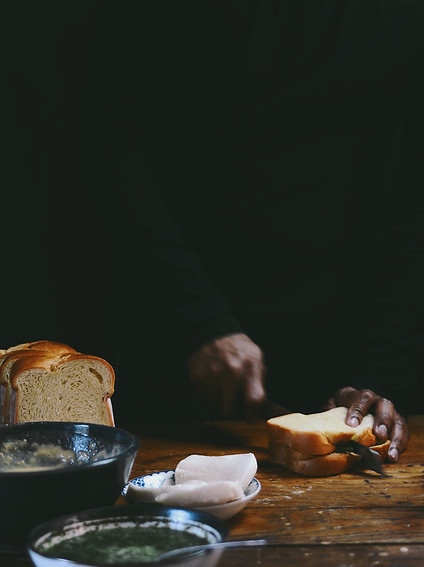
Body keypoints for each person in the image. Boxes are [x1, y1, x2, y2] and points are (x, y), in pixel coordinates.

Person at [5, 2, 424, 464]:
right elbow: (107, 140)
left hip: (343, 337)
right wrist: (198, 320)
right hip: (179, 334)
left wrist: (376, 374)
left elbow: (412, 203)